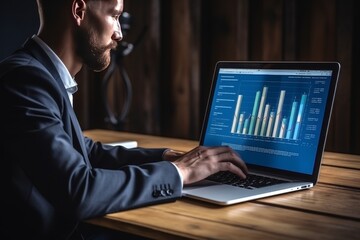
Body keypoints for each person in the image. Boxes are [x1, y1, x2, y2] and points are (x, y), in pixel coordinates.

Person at [1, 0, 248, 239]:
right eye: (115, 16)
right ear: (78, 10)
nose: (119, 34)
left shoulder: (38, 75)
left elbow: (87, 152)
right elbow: (80, 190)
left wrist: (166, 158)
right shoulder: (26, 80)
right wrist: (180, 172)